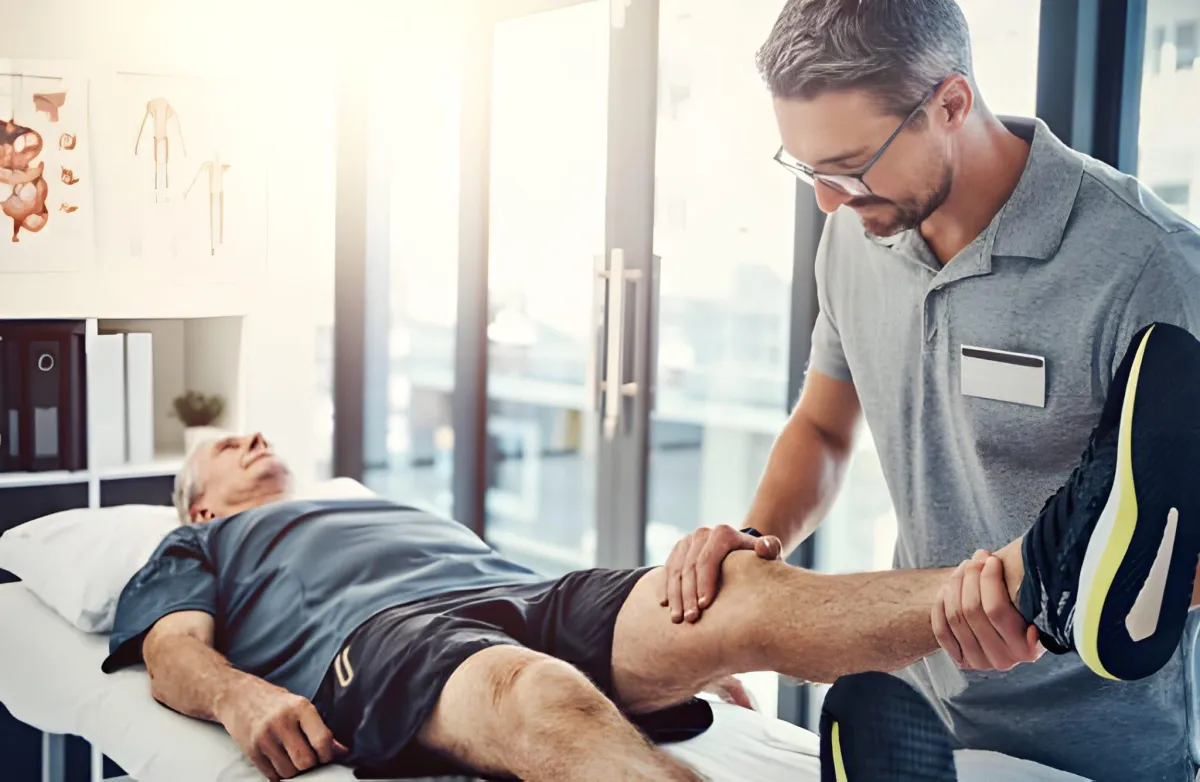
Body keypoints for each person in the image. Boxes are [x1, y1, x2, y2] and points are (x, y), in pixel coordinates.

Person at [101, 347, 1200, 782]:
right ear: (200, 499)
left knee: (738, 591)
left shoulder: (376, 497)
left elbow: (523, 587)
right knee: (527, 690)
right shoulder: (204, 541)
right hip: (384, 638)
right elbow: (169, 649)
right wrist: (244, 699)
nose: (254, 441)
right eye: (227, 449)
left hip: (528, 585)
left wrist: (668, 660)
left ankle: (1040, 582)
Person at [659, 1, 1200, 779]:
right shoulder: (857, 229)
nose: (828, 199)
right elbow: (822, 426)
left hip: (1102, 748)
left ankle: (1051, 586)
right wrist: (757, 545)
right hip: (914, 718)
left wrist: (1052, 610)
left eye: (850, 164)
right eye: (809, 169)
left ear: (950, 103)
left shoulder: (1150, 266)